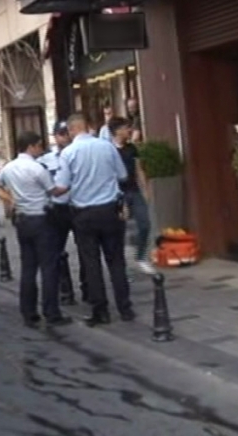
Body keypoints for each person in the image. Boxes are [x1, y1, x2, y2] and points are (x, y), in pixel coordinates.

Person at [52, 113, 135, 327]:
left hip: (84, 213)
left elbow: (62, 186)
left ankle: (101, 311)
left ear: (71, 131)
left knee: (91, 262)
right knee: (116, 260)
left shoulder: (68, 153)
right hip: (110, 210)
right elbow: (122, 175)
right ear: (88, 126)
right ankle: (125, 308)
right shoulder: (107, 147)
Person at [0, 131, 72, 328]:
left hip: (22, 220)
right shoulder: (37, 169)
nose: (41, 149)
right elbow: (53, 191)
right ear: (31, 147)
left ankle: (28, 312)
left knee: (28, 267)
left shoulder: (9, 167)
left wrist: (11, 200)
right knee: (48, 267)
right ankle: (51, 312)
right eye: (38, 146)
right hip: (42, 220)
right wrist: (69, 184)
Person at [38, 121, 82, 304]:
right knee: (57, 251)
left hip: (79, 206)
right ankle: (65, 291)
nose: (66, 137)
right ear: (55, 136)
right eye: (62, 134)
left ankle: (88, 287)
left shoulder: (80, 153)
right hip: (57, 208)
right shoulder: (45, 160)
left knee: (86, 249)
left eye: (67, 133)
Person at [109, 116, 155, 275]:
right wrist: (120, 202)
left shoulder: (131, 148)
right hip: (118, 194)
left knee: (145, 224)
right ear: (117, 131)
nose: (129, 131)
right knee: (119, 232)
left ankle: (141, 256)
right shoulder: (108, 150)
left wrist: (146, 189)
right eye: (126, 128)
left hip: (134, 191)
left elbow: (139, 169)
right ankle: (121, 266)